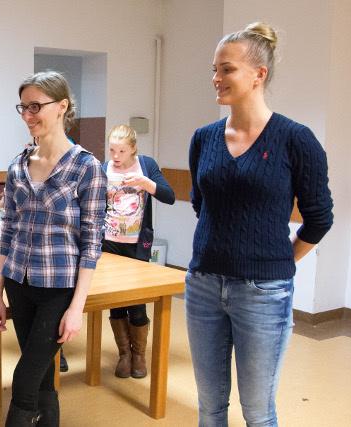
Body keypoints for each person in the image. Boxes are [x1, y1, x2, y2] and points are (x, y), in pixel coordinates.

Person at [186, 23, 333, 426]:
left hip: (264, 293)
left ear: (258, 74)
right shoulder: (204, 138)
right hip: (203, 285)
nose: (216, 78)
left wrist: (279, 262)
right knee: (209, 406)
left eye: (227, 69)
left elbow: (319, 218)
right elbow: (202, 205)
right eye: (214, 70)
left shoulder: (295, 139)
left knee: (257, 410)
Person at [0, 71, 107, 426]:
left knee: (25, 379)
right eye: (23, 107)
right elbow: (8, 232)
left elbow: (91, 244)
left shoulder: (86, 167)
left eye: (36, 106)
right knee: (41, 379)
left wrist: (77, 307)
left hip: (58, 289)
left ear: (62, 106)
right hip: (18, 283)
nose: (28, 115)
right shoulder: (18, 165)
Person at [101, 124, 174, 379]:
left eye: (121, 151)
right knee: (116, 301)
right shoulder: (104, 168)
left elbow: (169, 196)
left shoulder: (146, 165)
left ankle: (139, 355)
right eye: (112, 150)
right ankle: (124, 354)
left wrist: (146, 183)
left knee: (137, 301)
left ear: (133, 149)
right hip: (109, 242)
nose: (116, 156)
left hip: (137, 243)